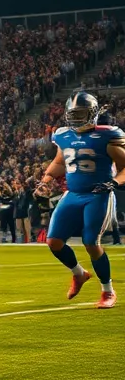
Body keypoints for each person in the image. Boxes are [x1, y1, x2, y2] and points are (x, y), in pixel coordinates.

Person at [34, 93, 122, 309]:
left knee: (91, 242)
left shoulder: (106, 136)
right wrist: (46, 179)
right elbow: (59, 162)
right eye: (74, 114)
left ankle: (107, 291)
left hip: (98, 194)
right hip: (73, 194)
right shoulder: (63, 135)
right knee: (54, 242)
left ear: (93, 114)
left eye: (82, 114)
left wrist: (115, 183)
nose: (77, 118)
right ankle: (79, 274)